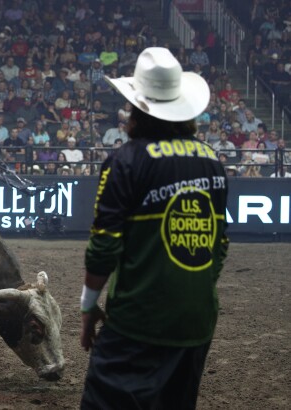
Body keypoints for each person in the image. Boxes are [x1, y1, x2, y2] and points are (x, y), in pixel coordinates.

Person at [80, 47, 228, 409]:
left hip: (137, 322)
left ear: (137, 108)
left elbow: (104, 244)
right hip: (197, 322)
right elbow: (218, 246)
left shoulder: (126, 161)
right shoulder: (212, 161)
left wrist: (89, 306)